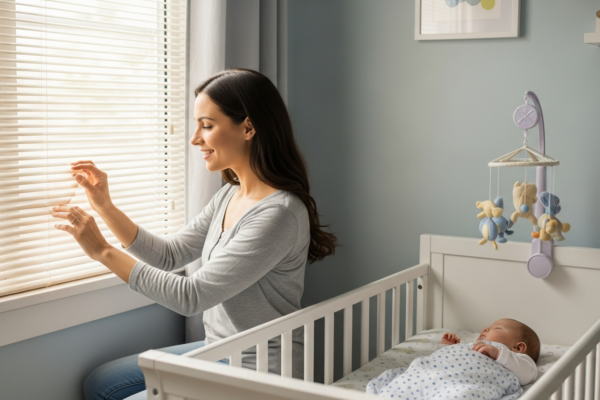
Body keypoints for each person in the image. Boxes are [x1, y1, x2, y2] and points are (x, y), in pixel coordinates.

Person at [52, 68, 338, 400]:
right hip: (218, 347)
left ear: (248, 127)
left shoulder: (278, 214)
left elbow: (192, 297)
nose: (195, 139)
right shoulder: (230, 194)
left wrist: (102, 251)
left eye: (207, 125)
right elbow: (170, 255)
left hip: (258, 369)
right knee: (102, 383)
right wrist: (105, 206)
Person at [366, 318, 540, 399]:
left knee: (463, 395)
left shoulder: (513, 358)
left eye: (497, 328)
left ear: (518, 347)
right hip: (431, 375)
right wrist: (450, 348)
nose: (486, 328)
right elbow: (447, 361)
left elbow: (528, 375)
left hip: (464, 384)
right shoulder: (470, 346)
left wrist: (498, 353)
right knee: (404, 383)